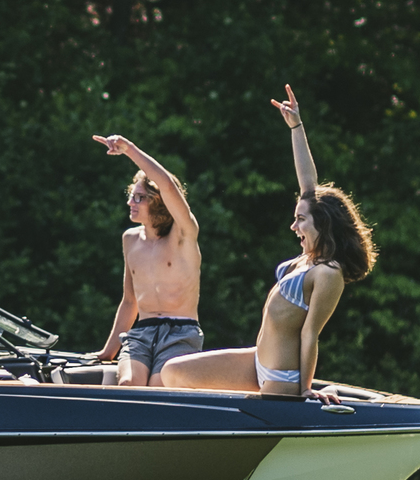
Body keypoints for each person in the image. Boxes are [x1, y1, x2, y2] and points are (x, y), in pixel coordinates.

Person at [158, 86, 378, 403]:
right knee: (174, 372)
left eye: (301, 220)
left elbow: (310, 334)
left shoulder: (328, 273)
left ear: (323, 223)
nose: (294, 226)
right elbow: (308, 182)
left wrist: (305, 390)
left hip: (281, 377)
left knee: (187, 382)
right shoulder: (308, 258)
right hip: (256, 361)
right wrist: (296, 127)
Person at [91, 134, 203, 386]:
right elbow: (130, 301)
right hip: (141, 333)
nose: (130, 202)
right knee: (128, 385)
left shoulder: (183, 234)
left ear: (159, 202)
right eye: (131, 194)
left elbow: (168, 186)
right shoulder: (130, 239)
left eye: (139, 197)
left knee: (157, 389)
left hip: (180, 334)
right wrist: (107, 352)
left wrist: (129, 150)